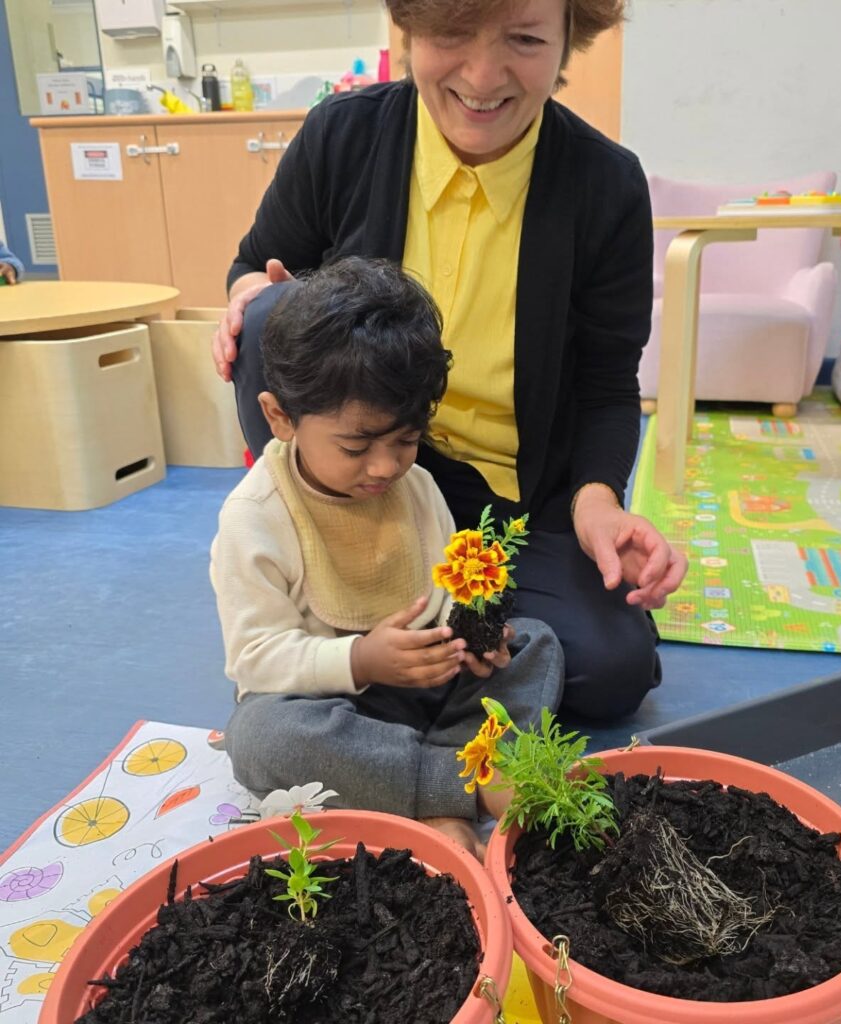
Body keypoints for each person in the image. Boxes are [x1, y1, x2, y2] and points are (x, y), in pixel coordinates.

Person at [212, 0, 687, 722]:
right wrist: (246, 296)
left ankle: (359, 652)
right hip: (359, 481)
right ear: (409, 30)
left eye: (524, 40)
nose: (482, 75)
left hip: (511, 498)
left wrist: (597, 501)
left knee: (609, 670)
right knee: (272, 313)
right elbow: (256, 262)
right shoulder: (344, 135)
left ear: (567, 42)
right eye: (452, 34)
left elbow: (606, 385)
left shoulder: (605, 185)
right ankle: (320, 576)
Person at [211, 257, 563, 858]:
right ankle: (456, 788)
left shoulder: (417, 487)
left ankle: (424, 790)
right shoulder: (256, 517)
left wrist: (471, 637)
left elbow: (446, 585)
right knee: (260, 738)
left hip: (425, 683)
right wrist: (362, 659)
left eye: (405, 441)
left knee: (535, 643)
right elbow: (257, 661)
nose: (385, 466)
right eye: (356, 445)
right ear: (280, 416)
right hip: (330, 706)